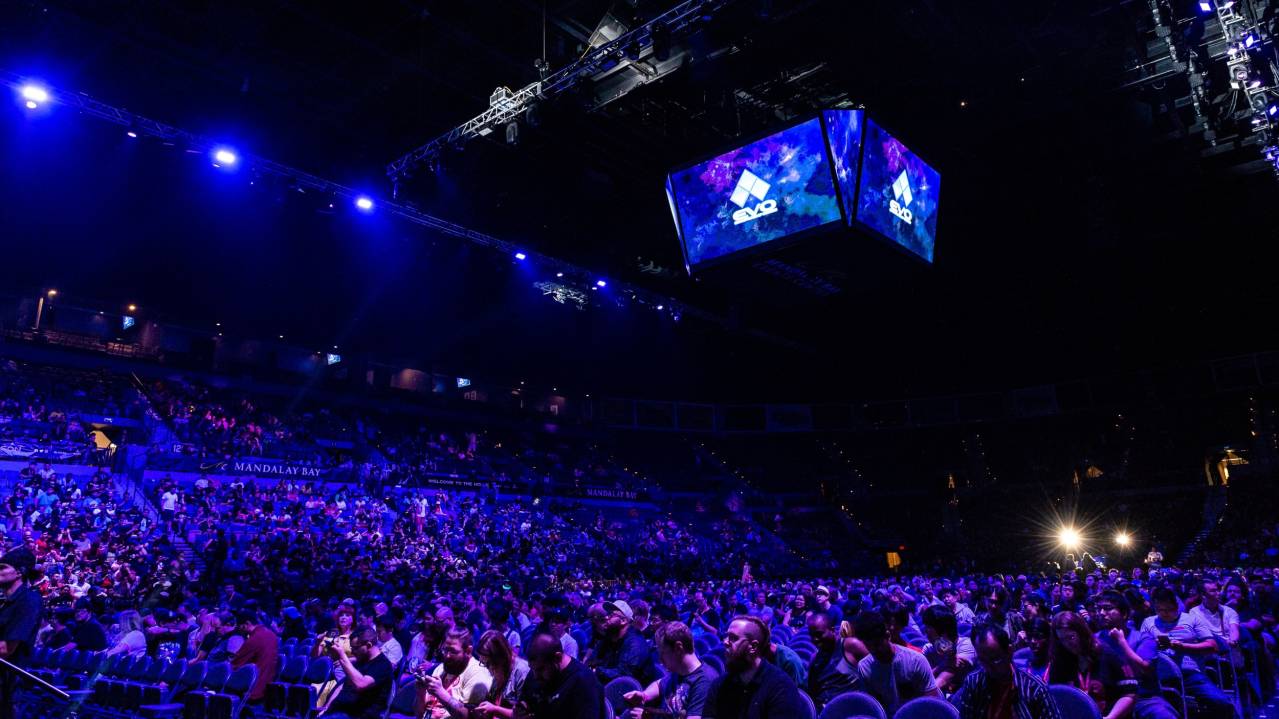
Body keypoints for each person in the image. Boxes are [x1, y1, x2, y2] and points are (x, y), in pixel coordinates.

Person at [1137, 588, 1237, 719]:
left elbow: (1212, 647)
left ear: (1176, 606)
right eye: (1159, 610)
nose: (1164, 614)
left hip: (1189, 673)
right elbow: (1143, 650)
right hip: (1159, 676)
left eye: (1168, 609)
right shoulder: (1149, 622)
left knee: (1221, 702)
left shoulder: (1191, 619)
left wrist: (1183, 646)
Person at [702, 616, 808, 719]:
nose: (725, 642)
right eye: (726, 636)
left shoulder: (782, 687)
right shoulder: (720, 684)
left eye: (733, 638)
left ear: (753, 647)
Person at [955, 625, 1061, 719]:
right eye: (983, 660)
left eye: (995, 660)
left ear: (1009, 652)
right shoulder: (973, 682)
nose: (988, 667)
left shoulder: (1034, 688)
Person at [1047, 611, 1136, 719]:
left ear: (1081, 632)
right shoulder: (1059, 662)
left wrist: (1110, 717)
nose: (1067, 644)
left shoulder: (1106, 653)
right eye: (1062, 640)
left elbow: (1130, 693)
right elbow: (1055, 698)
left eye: (1071, 637)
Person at [622, 621, 716, 719]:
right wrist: (644, 695)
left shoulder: (704, 682)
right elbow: (659, 684)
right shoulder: (680, 670)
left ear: (678, 648)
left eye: (662, 652)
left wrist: (648, 717)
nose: (660, 659)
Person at [854, 610, 941, 715]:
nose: (873, 650)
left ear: (887, 636)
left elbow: (933, 704)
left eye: (877, 644)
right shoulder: (864, 667)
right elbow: (873, 708)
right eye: (868, 646)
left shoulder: (916, 661)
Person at [515, 627, 606, 719]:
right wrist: (521, 711)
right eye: (532, 668)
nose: (536, 676)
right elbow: (525, 704)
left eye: (541, 669)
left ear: (557, 658)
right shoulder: (536, 671)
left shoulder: (583, 681)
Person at [0, 546, 41, 719]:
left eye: (2, 567)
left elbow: (6, 649)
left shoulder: (29, 600)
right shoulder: (4, 602)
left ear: (19, 572)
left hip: (10, 684)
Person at [415, 627, 493, 719]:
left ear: (468, 651)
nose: (447, 656)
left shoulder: (478, 674)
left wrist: (441, 693)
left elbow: (471, 717)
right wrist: (421, 693)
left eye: (453, 651)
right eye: (445, 650)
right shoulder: (441, 668)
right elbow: (419, 714)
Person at [320, 627, 394, 719]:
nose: (352, 651)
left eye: (355, 648)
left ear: (368, 645)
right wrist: (327, 707)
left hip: (359, 714)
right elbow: (342, 687)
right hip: (340, 711)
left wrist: (342, 656)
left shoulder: (383, 665)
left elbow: (361, 684)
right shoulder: (360, 660)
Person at [587, 600, 655, 685]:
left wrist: (596, 671)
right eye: (607, 614)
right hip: (610, 687)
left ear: (623, 621)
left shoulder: (636, 643)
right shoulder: (608, 638)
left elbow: (625, 674)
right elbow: (591, 661)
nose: (606, 618)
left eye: (612, 615)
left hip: (632, 692)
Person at [805, 609, 861, 710]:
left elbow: (874, 666)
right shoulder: (815, 659)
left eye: (819, 634)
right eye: (812, 636)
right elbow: (812, 691)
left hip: (851, 708)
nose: (815, 639)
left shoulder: (849, 646)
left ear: (832, 630)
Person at [472, 630, 530, 718]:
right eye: (483, 663)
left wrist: (495, 710)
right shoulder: (499, 670)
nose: (487, 668)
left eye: (487, 663)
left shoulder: (522, 672)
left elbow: (523, 715)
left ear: (499, 658)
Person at [921, 604, 975, 694]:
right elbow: (923, 679)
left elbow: (942, 680)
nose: (925, 630)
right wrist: (945, 663)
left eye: (929, 627)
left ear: (943, 630)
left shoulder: (966, 645)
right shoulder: (928, 649)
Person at [232, 608, 280, 704]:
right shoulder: (271, 634)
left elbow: (236, 664)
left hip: (254, 688)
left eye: (240, 626)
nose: (240, 629)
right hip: (267, 685)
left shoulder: (254, 639)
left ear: (247, 623)